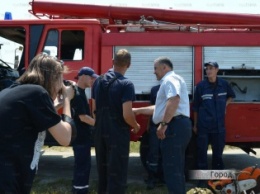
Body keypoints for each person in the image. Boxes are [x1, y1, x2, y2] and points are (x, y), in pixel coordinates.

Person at [0, 52, 76, 194]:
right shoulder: (37, 93)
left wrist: (58, 104)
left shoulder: (15, 90)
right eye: (61, 79)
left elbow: (41, 116)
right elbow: (65, 138)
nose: (61, 85)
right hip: (7, 180)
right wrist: (66, 99)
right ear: (52, 78)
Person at [133, 57, 192, 194]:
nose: (154, 72)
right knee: (175, 168)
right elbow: (161, 108)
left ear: (165, 67)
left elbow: (174, 99)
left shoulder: (169, 80)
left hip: (174, 126)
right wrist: (139, 111)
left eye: (156, 68)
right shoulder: (170, 80)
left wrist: (164, 123)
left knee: (172, 169)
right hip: (177, 125)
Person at [92, 49, 140, 194]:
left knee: (103, 170)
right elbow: (127, 114)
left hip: (100, 131)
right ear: (129, 65)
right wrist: (136, 125)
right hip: (117, 133)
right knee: (117, 171)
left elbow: (94, 109)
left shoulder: (98, 81)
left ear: (112, 62)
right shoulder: (126, 84)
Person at [193, 62, 235, 184]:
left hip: (219, 127)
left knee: (218, 155)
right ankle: (202, 181)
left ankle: (218, 180)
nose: (208, 71)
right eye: (207, 69)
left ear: (217, 70)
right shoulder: (200, 86)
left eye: (211, 69)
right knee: (201, 155)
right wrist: (195, 125)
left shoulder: (224, 84)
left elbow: (231, 96)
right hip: (203, 126)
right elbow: (195, 107)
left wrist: (225, 106)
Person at [71, 67, 98, 194]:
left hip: (83, 136)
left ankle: (81, 188)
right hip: (80, 137)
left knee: (83, 164)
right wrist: (100, 125)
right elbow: (83, 117)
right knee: (82, 165)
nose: (93, 80)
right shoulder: (77, 94)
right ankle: (79, 190)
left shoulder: (81, 92)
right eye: (91, 77)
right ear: (82, 76)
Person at [144, 84, 164, 190]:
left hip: (167, 127)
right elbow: (151, 107)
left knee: (165, 152)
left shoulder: (172, 88)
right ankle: (152, 178)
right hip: (154, 126)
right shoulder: (154, 89)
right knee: (153, 152)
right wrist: (148, 124)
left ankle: (163, 178)